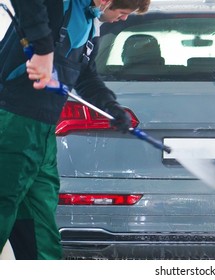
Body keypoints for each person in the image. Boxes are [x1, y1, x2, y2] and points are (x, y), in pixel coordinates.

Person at [0, 0, 151, 260]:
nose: (124, 19)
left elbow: (85, 75)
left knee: (39, 223)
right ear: (104, 0)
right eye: (123, 12)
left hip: (42, 134)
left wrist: (111, 107)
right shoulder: (57, 6)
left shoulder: (89, 27)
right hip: (13, 124)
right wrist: (44, 50)